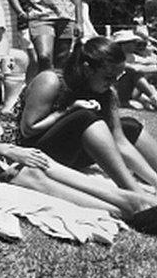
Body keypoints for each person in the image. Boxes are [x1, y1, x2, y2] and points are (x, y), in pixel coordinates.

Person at [0, 2, 157, 231]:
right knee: (26, 172)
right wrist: (9, 150)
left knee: (42, 162)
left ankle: (133, 200)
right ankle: (124, 208)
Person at [16, 36, 157, 199]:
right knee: (84, 116)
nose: (112, 83)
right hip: (31, 152)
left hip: (70, 152)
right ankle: (138, 197)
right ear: (87, 69)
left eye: (117, 77)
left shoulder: (106, 92)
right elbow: (27, 130)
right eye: (108, 77)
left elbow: (120, 141)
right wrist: (69, 110)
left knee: (130, 126)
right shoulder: (50, 80)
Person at [110, 30, 157, 109]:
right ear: (123, 44)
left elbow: (147, 61)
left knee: (150, 84)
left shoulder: (130, 56)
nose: (135, 44)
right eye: (132, 42)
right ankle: (153, 98)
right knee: (134, 74)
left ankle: (150, 99)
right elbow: (135, 69)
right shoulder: (114, 58)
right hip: (116, 92)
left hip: (126, 91)